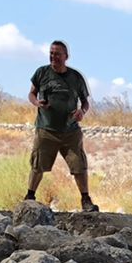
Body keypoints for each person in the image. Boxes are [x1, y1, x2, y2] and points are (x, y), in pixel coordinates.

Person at [26, 40, 99, 213]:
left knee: (79, 164)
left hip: (70, 131)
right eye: (51, 53)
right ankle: (29, 197)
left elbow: (85, 102)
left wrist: (82, 112)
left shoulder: (76, 77)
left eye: (57, 54)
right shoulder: (41, 73)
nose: (54, 57)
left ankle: (86, 200)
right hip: (46, 129)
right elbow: (32, 93)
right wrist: (37, 102)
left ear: (66, 56)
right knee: (38, 164)